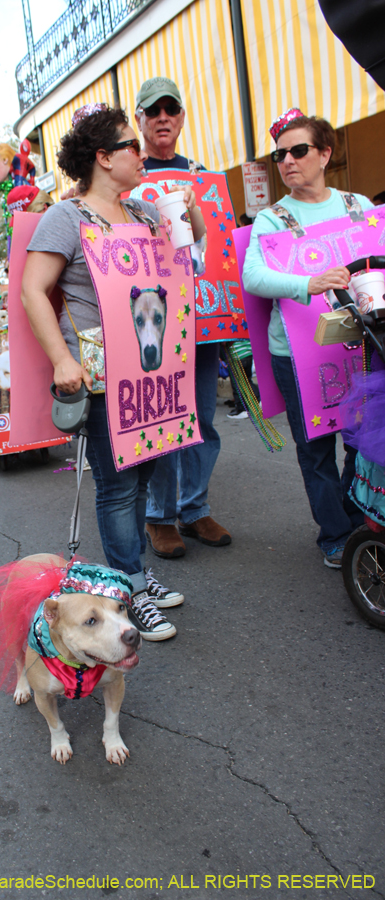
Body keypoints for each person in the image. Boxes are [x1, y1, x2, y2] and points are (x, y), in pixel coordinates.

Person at [22, 104, 206, 641]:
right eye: (131, 146)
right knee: (118, 487)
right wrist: (61, 358)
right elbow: (34, 289)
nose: (143, 153)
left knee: (145, 475)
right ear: (103, 158)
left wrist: (188, 210)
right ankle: (127, 592)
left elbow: (189, 259)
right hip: (102, 375)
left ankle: (136, 575)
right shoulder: (67, 217)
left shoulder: (147, 214)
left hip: (152, 371)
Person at [242, 108, 371, 568]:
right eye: (281, 155)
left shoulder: (358, 206)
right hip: (297, 353)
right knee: (316, 449)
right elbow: (253, 276)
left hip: (359, 344)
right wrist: (307, 282)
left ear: (325, 153)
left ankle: (358, 520)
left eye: (299, 150)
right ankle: (335, 534)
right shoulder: (272, 220)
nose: (288, 161)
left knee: (362, 437)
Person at [134, 76, 231, 559]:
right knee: (162, 421)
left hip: (203, 319)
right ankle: (158, 516)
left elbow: (212, 248)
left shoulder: (202, 177)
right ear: (140, 120)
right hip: (154, 325)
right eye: (153, 111)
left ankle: (194, 510)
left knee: (202, 420)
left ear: (182, 117)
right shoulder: (128, 178)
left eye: (171, 109)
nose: (163, 118)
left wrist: (195, 212)